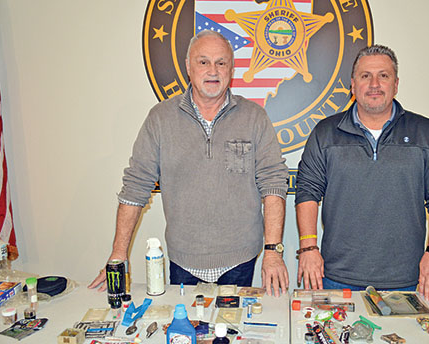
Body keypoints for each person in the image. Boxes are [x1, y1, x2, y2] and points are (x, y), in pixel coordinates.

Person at [89, 30, 289, 296]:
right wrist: (118, 255)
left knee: (234, 333)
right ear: (188, 67)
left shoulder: (255, 117)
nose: (213, 70)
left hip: (241, 260)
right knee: (185, 332)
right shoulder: (160, 119)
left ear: (232, 68)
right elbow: (135, 186)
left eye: (221, 62)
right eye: (203, 61)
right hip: (183, 261)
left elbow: (273, 183)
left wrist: (273, 252)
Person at [295, 44, 429, 300]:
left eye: (383, 75)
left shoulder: (427, 133)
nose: (374, 84)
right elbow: (307, 191)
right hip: (336, 277)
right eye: (365, 76)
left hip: (407, 279)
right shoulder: (325, 133)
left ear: (396, 84)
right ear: (352, 85)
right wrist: (308, 248)